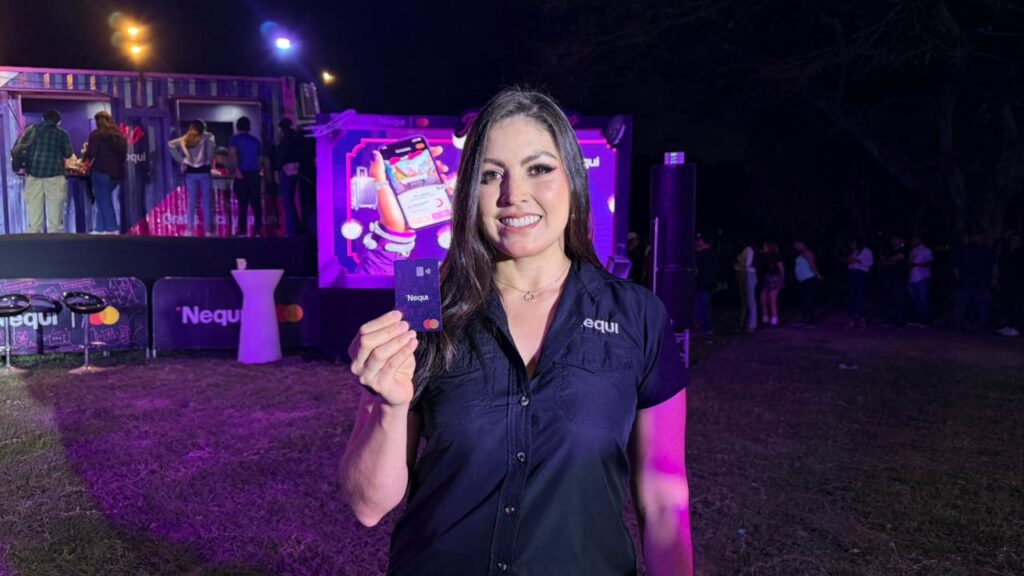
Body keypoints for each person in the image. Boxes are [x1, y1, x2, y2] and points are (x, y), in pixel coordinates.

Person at [340, 89, 693, 576]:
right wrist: (387, 406)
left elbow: (664, 497)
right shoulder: (426, 311)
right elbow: (368, 506)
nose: (514, 194)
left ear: (573, 179)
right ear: (469, 193)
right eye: (490, 175)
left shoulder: (638, 315)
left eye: (539, 168)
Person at [18, 109, 73, 233]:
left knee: (34, 214)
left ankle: (34, 239)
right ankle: (55, 239)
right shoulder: (61, 134)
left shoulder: (31, 131)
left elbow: (21, 149)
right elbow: (68, 153)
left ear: (43, 119)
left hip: (33, 175)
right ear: (58, 122)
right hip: (54, 175)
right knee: (55, 214)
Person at [82, 111, 128, 234]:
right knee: (102, 198)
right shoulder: (119, 136)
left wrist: (84, 160)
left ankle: (112, 228)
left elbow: (91, 153)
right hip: (117, 174)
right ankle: (100, 227)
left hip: (101, 171)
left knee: (104, 200)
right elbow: (123, 155)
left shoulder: (96, 135)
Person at [168, 120, 216, 237]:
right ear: (203, 128)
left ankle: (189, 230)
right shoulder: (208, 137)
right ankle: (208, 231)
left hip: (190, 173)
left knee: (191, 203)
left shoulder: (187, 137)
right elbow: (210, 155)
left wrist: (182, 160)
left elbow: (170, 144)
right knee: (206, 202)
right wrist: (207, 160)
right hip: (204, 172)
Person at [953, 231, 996, 333]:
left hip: (966, 282)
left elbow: (956, 268)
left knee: (960, 307)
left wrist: (959, 279)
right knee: (983, 308)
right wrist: (993, 279)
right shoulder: (987, 250)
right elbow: (994, 266)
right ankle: (983, 330)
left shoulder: (963, 250)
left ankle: (956, 327)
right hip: (982, 283)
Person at [229, 116, 263, 236]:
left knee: (242, 204)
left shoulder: (235, 139)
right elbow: (260, 159)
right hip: (254, 174)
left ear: (238, 126)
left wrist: (236, 170)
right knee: (256, 203)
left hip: (242, 174)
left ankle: (242, 230)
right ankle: (258, 230)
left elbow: (233, 155)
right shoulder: (256, 141)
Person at [275, 118, 303, 236]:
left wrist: (276, 169)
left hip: (287, 169)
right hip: (296, 169)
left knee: (287, 200)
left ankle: (291, 230)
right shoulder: (296, 138)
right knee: (291, 199)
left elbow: (281, 156)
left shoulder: (285, 140)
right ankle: (295, 228)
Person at [879, 234, 909, 326]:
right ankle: (890, 319)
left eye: (897, 239)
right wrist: (889, 260)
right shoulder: (889, 250)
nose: (895, 241)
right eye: (893, 239)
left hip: (899, 277)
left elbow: (893, 260)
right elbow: (882, 262)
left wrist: (888, 260)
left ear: (901, 240)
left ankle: (900, 321)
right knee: (889, 298)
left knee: (899, 298)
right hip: (889, 277)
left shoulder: (904, 250)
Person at [793, 237, 824, 326]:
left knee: (808, 300)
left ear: (802, 244)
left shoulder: (808, 253)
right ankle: (805, 318)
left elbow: (812, 265)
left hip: (808, 279)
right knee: (803, 300)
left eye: (796, 244)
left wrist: (818, 276)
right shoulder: (802, 253)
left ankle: (811, 321)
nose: (795, 246)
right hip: (803, 280)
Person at [996, 232, 1022, 336]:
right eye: (1013, 239)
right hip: (1007, 283)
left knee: (1016, 306)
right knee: (1008, 305)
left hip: (1018, 284)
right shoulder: (1007, 252)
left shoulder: (1020, 253)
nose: (1015, 242)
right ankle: (1009, 326)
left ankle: (1016, 327)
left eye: (1017, 240)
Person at [846, 237, 873, 328]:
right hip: (852, 274)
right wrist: (849, 262)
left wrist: (858, 260)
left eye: (853, 243)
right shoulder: (853, 251)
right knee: (851, 296)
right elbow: (849, 263)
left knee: (861, 296)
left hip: (861, 275)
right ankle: (851, 318)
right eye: (850, 243)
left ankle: (862, 318)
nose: (851, 245)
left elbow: (870, 263)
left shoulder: (866, 251)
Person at [907, 233, 934, 326]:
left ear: (919, 240)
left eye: (914, 240)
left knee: (923, 300)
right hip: (912, 278)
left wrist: (917, 265)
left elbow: (930, 264)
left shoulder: (926, 250)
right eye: (912, 240)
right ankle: (918, 319)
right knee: (916, 300)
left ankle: (926, 320)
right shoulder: (912, 251)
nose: (912, 242)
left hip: (922, 278)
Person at [694, 232, 718, 334]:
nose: (697, 242)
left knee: (702, 306)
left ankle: (704, 327)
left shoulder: (703, 254)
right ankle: (705, 327)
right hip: (708, 283)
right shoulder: (712, 253)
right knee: (704, 306)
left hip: (703, 283)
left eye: (699, 240)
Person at [757, 241, 784, 327]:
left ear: (770, 247)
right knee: (763, 300)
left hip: (774, 277)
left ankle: (774, 320)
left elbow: (781, 269)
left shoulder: (777, 256)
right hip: (765, 278)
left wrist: (781, 281)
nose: (763, 247)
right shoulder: (763, 257)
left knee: (772, 300)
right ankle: (765, 318)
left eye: (765, 246)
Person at [734, 238, 757, 333]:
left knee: (750, 301)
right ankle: (743, 324)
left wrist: (739, 264)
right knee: (744, 302)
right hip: (743, 275)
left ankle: (752, 325)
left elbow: (747, 264)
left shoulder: (749, 249)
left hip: (749, 275)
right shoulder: (744, 250)